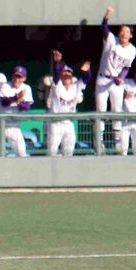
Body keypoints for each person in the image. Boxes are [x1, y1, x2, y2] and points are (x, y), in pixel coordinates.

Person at [96, 6, 135, 153]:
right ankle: (100, 142)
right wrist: (107, 15)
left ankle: (118, 142)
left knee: (116, 111)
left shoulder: (132, 50)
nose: (124, 33)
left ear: (131, 35)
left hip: (115, 82)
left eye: (127, 32)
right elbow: (104, 28)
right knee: (101, 111)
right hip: (103, 78)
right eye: (122, 31)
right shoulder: (112, 39)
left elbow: (126, 67)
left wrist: (122, 78)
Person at [46, 51, 90, 157]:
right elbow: (56, 74)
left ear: (71, 75)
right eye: (65, 73)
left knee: (69, 152)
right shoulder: (57, 84)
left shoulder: (76, 86)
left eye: (69, 73)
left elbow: (86, 78)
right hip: (56, 123)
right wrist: (56, 62)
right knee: (52, 152)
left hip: (68, 123)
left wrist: (87, 70)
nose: (67, 75)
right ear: (61, 75)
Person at [0, 66, 34, 157]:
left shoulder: (26, 88)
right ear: (12, 77)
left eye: (20, 77)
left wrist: (18, 102)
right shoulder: (5, 86)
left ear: (24, 78)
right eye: (15, 76)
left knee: (21, 153)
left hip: (15, 127)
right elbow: (4, 102)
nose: (17, 79)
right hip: (0, 126)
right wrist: (17, 98)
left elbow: (26, 107)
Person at [120, 76, 136, 155]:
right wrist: (123, 94)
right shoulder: (127, 82)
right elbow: (117, 88)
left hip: (135, 121)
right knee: (123, 148)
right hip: (125, 121)